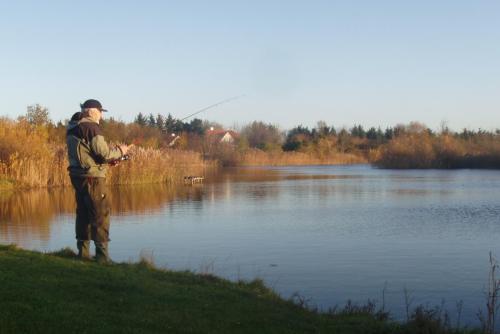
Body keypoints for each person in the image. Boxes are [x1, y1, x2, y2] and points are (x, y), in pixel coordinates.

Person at [66, 99, 131, 262]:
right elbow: (104, 154)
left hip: (78, 177)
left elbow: (89, 155)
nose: (101, 115)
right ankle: (102, 257)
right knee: (100, 214)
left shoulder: (73, 128)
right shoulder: (91, 128)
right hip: (93, 180)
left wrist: (108, 162)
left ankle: (83, 254)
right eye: (100, 111)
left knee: (83, 215)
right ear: (92, 111)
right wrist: (120, 151)